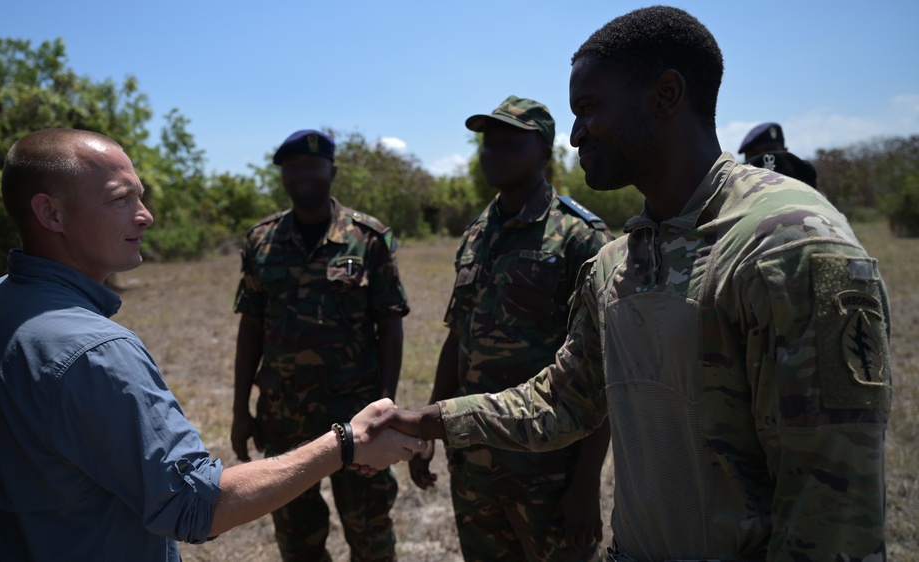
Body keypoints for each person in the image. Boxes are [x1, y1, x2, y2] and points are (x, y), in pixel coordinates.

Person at [367, 6, 891, 561]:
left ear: (666, 95)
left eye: (589, 109)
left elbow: (832, 515)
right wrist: (425, 420)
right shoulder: (619, 261)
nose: (574, 135)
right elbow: (562, 401)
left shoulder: (788, 246)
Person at [0, 128, 423, 562]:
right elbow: (196, 505)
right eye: (120, 199)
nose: (145, 216)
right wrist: (343, 443)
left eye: (140, 197)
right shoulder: (94, 350)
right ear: (51, 212)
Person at [409, 95, 613, 561]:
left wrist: (586, 485)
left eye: (508, 144)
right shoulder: (478, 232)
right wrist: (427, 430)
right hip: (474, 458)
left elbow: (605, 371)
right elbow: (457, 337)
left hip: (547, 466)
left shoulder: (582, 236)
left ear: (544, 152)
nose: (492, 154)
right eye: (487, 144)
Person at [232, 129, 410, 561]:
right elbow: (251, 325)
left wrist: (386, 405)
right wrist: (240, 409)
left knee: (370, 533)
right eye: (293, 168)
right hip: (283, 416)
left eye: (312, 166)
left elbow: (390, 323)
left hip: (355, 413)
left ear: (332, 170)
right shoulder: (262, 240)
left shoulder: (369, 237)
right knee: (297, 538)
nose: (303, 175)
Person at [738, 122, 818, 187]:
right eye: (754, 154)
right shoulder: (737, 182)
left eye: (771, 151)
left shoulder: (803, 172)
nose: (763, 158)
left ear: (785, 151)